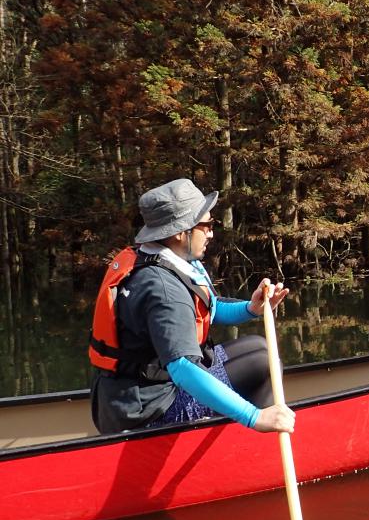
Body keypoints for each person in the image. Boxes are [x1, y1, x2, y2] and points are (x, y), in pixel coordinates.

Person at [89, 178, 296, 435]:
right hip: (148, 410)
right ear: (180, 231)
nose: (211, 232)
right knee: (262, 364)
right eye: (206, 225)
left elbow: (211, 309)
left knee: (259, 348)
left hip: (134, 393)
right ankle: (251, 441)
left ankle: (239, 431)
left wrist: (250, 309)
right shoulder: (163, 289)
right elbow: (183, 369)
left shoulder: (168, 257)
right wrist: (254, 416)